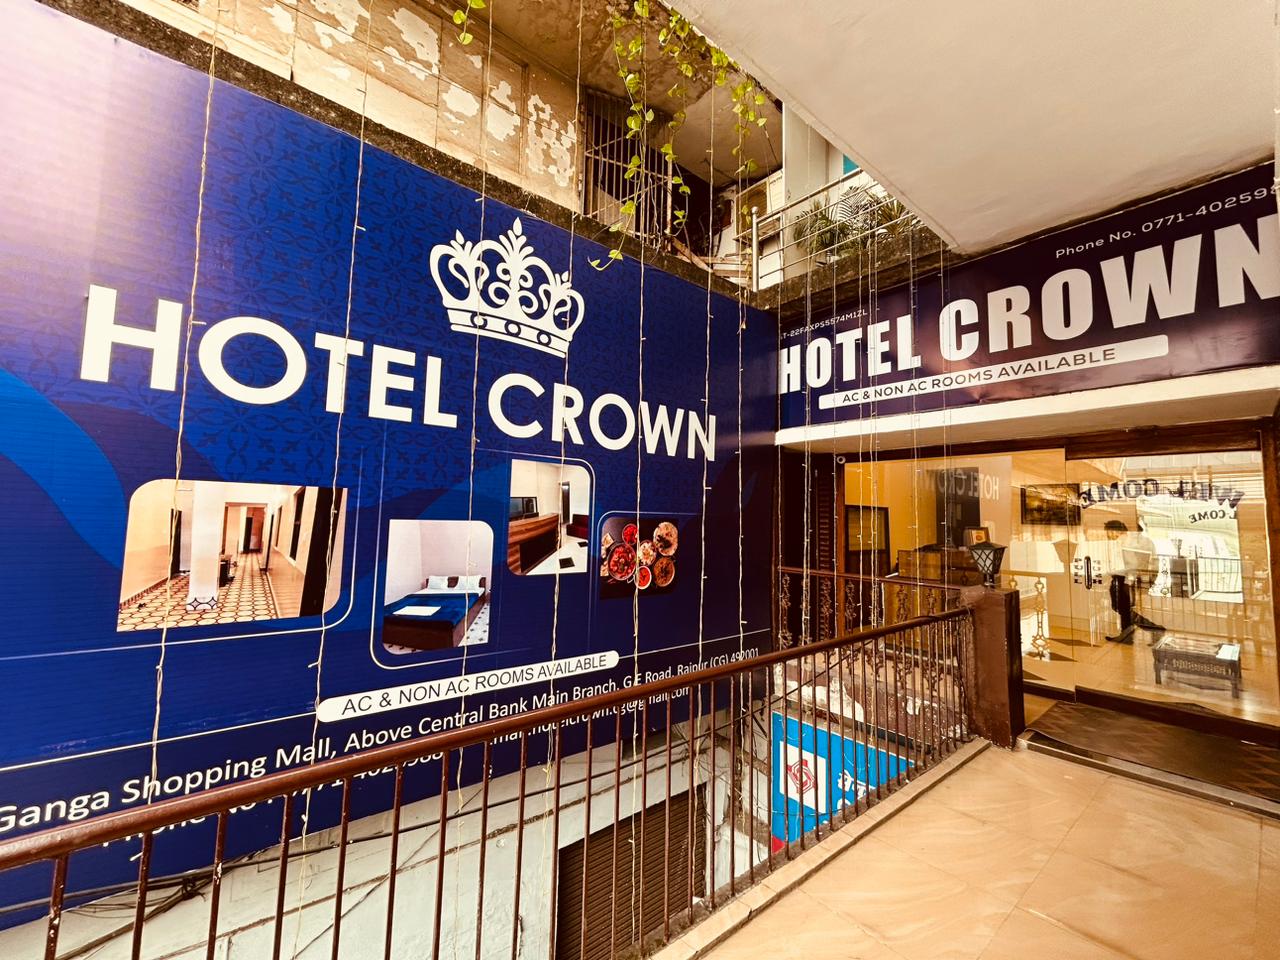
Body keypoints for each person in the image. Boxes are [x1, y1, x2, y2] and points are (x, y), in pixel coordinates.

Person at [1103, 519, 1164, 643]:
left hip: (1127, 579)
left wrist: (1113, 573)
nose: (1108, 535)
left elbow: (1132, 565)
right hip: (1139, 578)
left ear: (1115, 531)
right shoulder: (1145, 541)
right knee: (1125, 608)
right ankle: (1128, 635)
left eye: (1108, 532)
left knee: (1123, 608)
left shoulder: (1127, 542)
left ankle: (1151, 629)